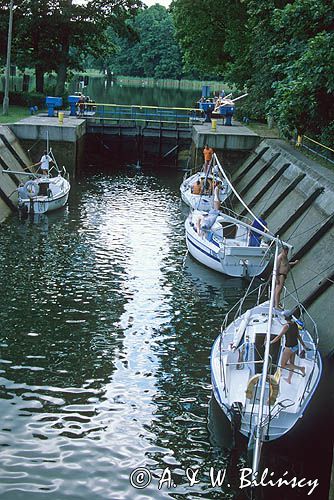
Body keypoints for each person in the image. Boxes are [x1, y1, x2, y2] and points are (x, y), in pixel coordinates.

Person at [270, 314, 307, 384]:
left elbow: (279, 337)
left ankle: (301, 368)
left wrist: (270, 342)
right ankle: (289, 379)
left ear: (285, 318)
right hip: (296, 346)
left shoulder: (286, 326)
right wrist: (304, 345)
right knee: (292, 363)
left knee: (283, 365)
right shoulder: (295, 324)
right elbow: (298, 336)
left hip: (289, 348)